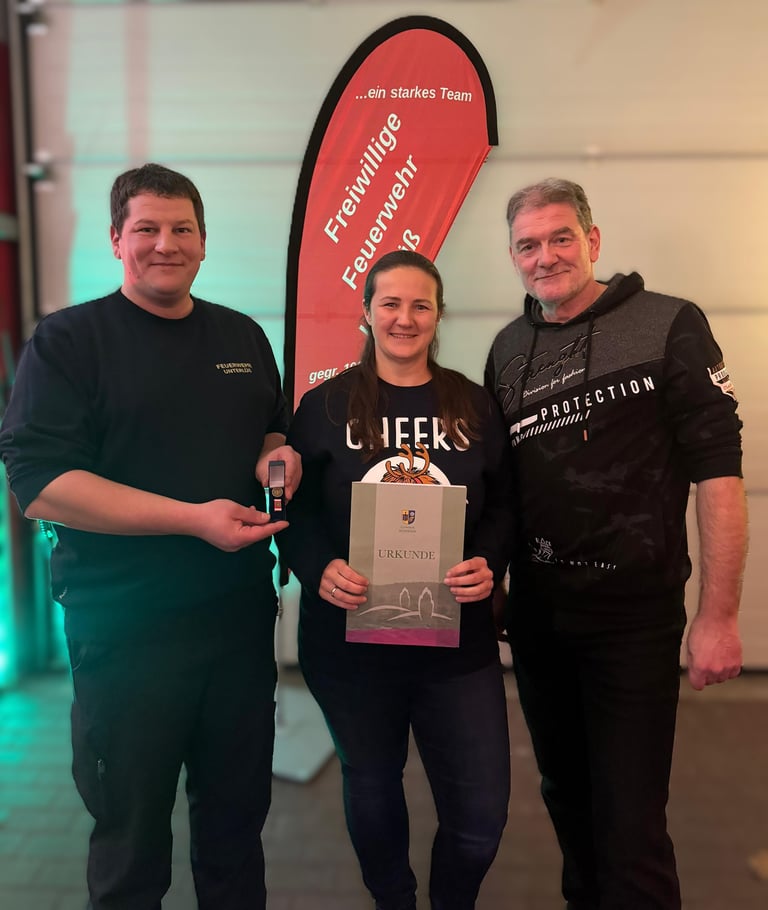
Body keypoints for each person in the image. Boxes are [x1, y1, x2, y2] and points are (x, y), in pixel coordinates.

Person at [0, 163, 301, 910]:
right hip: (125, 635)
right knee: (132, 846)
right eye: (147, 229)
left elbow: (271, 424)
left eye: (181, 230)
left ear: (204, 242)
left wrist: (275, 452)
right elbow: (40, 486)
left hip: (234, 625)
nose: (165, 244)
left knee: (235, 834)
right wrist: (194, 518)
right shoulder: (69, 342)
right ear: (115, 239)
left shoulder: (240, 334)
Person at [484, 177, 747, 910]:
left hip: (633, 624)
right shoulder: (507, 351)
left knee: (630, 829)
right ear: (513, 257)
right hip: (539, 623)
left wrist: (719, 617)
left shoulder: (669, 325)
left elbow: (718, 474)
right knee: (570, 810)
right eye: (527, 245)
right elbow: (500, 486)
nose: (545, 257)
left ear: (593, 241)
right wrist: (494, 583)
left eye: (560, 237)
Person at [278, 250, 513, 910]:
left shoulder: (473, 404)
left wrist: (488, 560)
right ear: (366, 312)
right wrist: (318, 567)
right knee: (374, 789)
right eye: (390, 303)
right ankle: (394, 901)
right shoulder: (322, 406)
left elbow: (504, 504)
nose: (404, 318)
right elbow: (293, 511)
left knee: (480, 819)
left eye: (420, 305)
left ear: (439, 316)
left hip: (456, 644)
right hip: (350, 645)